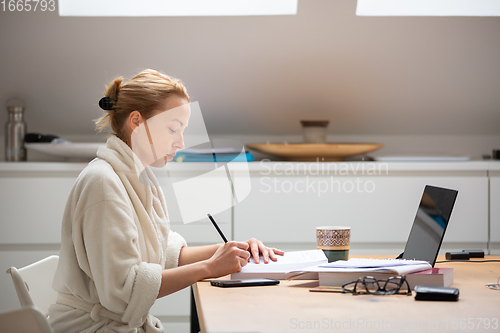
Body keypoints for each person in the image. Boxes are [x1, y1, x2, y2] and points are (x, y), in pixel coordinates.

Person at [48, 69, 284, 333]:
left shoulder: (140, 176)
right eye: (173, 128)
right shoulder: (103, 183)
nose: (180, 142)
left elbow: (168, 255)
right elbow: (123, 290)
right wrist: (210, 267)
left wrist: (234, 251)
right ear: (136, 121)